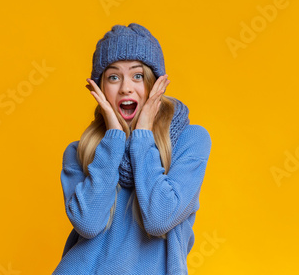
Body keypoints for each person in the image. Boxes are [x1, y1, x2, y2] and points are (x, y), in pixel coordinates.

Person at [52, 23, 212, 275]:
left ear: (155, 84)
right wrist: (114, 137)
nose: (126, 87)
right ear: (99, 89)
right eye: (113, 77)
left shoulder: (189, 140)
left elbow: (159, 219)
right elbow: (88, 224)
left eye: (137, 76)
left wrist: (142, 137)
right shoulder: (79, 152)